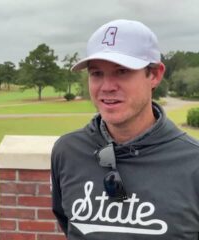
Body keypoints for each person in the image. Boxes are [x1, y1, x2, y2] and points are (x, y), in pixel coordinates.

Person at [51, 19, 199, 239]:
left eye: (122, 71)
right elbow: (67, 221)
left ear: (155, 75)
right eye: (97, 73)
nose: (107, 87)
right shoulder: (67, 151)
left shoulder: (193, 163)